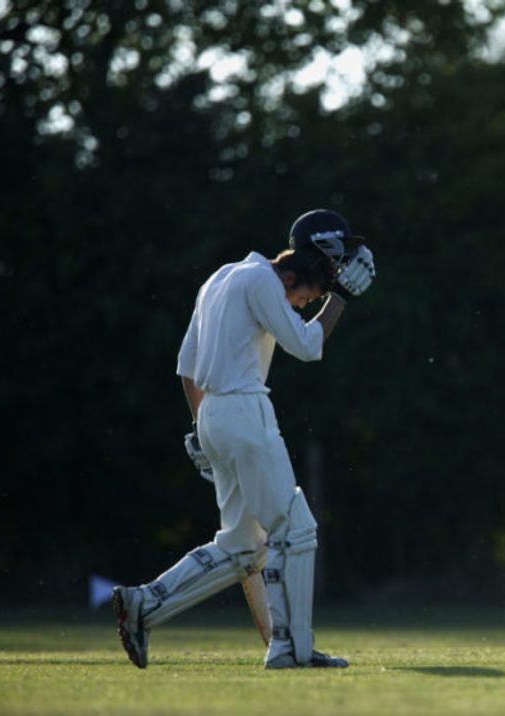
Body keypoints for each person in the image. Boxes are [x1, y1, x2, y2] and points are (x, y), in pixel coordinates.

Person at [112, 209, 375, 670]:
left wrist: (201, 430)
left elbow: (186, 367)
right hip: (243, 409)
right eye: (315, 290)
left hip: (212, 413)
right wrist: (342, 297)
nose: (307, 302)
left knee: (241, 547)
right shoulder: (263, 283)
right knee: (294, 529)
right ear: (307, 269)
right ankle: (292, 649)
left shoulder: (221, 278)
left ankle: (145, 605)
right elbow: (309, 346)